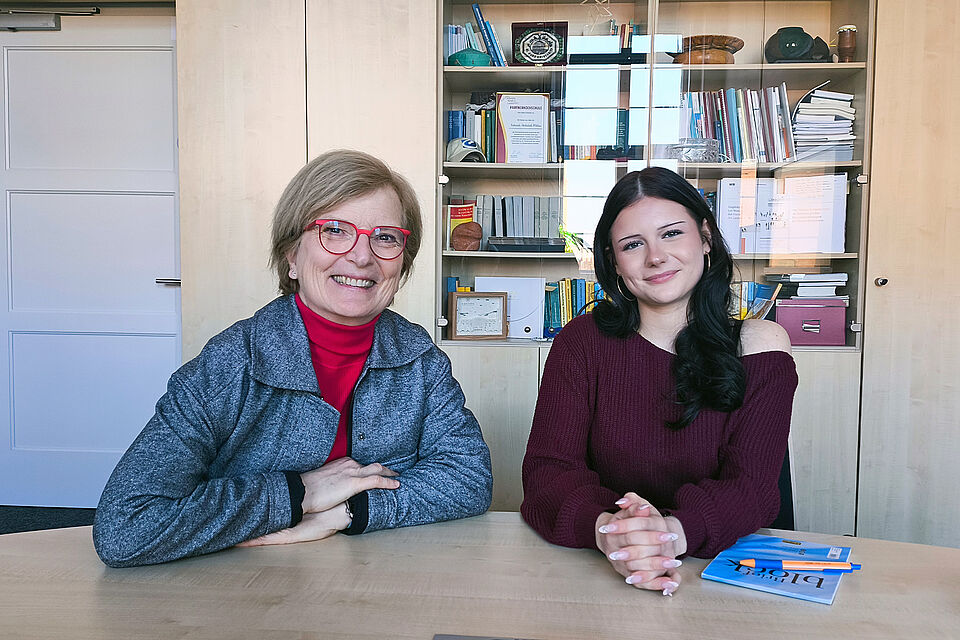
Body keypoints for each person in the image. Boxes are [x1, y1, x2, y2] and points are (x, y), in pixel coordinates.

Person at [94, 149, 493, 567]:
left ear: (402, 265)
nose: (361, 256)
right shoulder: (231, 362)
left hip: (379, 579)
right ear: (291, 257)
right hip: (241, 588)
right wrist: (300, 493)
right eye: (335, 231)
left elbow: (468, 479)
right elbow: (126, 527)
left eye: (385, 237)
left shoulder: (420, 357)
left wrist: (343, 514)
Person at [520, 167, 797, 596]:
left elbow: (753, 490)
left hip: (719, 573)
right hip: (598, 571)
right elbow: (548, 475)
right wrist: (610, 532)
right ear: (613, 261)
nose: (655, 257)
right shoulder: (581, 341)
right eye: (633, 244)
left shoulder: (760, 344)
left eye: (671, 234)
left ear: (705, 237)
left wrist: (663, 537)